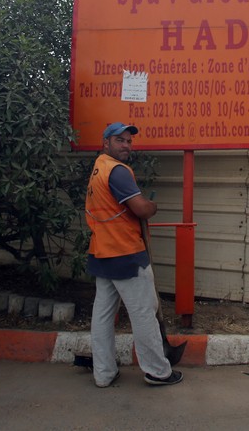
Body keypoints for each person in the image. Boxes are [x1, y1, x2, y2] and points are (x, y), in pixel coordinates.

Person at [84, 121, 183, 388]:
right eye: (120, 140)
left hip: (102, 253)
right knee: (143, 314)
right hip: (125, 254)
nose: (127, 145)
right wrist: (152, 206)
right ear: (106, 143)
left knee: (102, 315)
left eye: (129, 141)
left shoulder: (98, 168)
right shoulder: (117, 171)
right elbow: (140, 208)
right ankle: (157, 371)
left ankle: (103, 373)